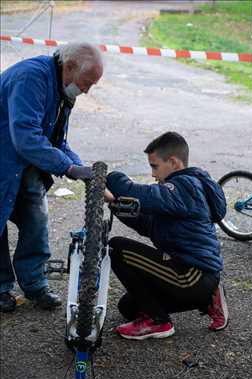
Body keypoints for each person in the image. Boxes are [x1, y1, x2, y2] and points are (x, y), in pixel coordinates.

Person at [0, 42, 103, 312]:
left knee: (36, 218)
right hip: (6, 156)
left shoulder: (62, 91)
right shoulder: (31, 78)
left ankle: (35, 285)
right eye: (86, 82)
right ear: (69, 66)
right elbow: (25, 137)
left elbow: (56, 140)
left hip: (20, 161)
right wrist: (68, 168)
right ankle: (0, 288)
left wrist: (82, 170)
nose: (87, 90)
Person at [105, 131, 229, 340]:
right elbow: (147, 224)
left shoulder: (186, 186)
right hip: (189, 276)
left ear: (173, 162)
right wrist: (114, 203)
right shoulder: (180, 193)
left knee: (116, 248)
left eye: (155, 166)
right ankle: (207, 300)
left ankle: (158, 322)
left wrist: (110, 178)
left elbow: (143, 195)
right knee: (128, 307)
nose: (153, 174)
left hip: (192, 275)